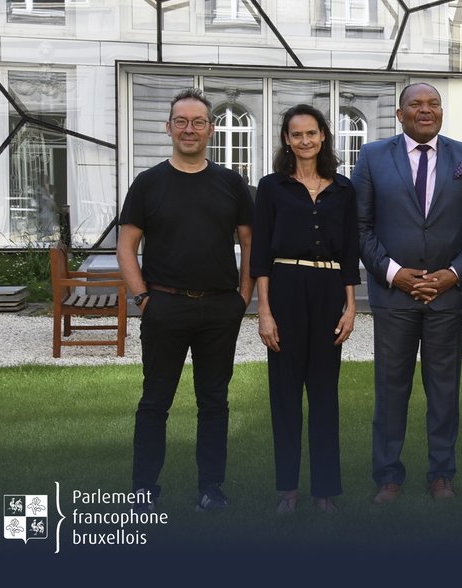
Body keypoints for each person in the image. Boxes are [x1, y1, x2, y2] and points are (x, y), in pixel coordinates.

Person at [353, 82, 462, 503]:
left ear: (442, 113)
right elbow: (360, 226)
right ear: (400, 114)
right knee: (390, 389)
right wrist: (394, 274)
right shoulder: (374, 157)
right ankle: (389, 477)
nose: (426, 110)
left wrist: (454, 273)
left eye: (433, 104)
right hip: (393, 296)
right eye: (416, 104)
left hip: (447, 297)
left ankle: (441, 475)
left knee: (444, 391)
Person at [118, 88, 253, 512]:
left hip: (219, 308)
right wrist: (142, 297)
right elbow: (126, 247)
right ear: (169, 127)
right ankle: (143, 487)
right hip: (164, 306)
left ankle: (211, 488)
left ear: (211, 129)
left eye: (198, 122)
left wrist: (242, 298)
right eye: (182, 121)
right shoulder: (148, 183)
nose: (189, 129)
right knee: (155, 401)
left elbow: (250, 244)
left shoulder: (231, 183)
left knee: (214, 402)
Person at [251, 104, 360, 514]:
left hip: (330, 290)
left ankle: (324, 491)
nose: (305, 140)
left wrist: (350, 307)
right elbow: (259, 252)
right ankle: (288, 491)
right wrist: (264, 310)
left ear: (323, 136)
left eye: (312, 133)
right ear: (286, 139)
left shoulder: (344, 189)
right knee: (285, 394)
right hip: (285, 290)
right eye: (297, 134)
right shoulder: (272, 187)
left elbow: (350, 253)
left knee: (324, 394)